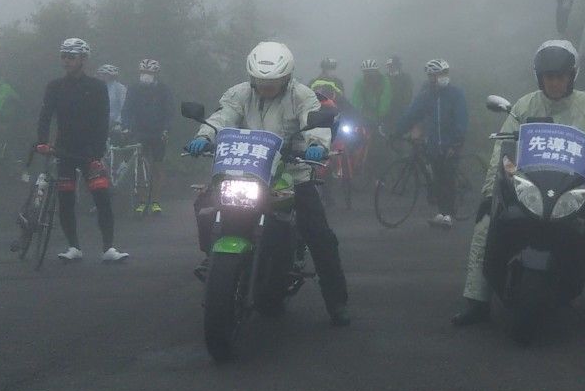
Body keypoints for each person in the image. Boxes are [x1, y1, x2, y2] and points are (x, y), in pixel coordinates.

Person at [452, 40, 585, 326]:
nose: (555, 83)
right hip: (527, 185)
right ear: (540, 77)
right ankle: (476, 300)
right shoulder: (524, 105)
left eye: (560, 76)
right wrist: (489, 193)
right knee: (486, 223)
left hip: (572, 189)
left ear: (572, 76)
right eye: (549, 77)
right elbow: (503, 146)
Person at [186, 41, 351, 326]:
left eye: (272, 82)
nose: (265, 87)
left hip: (291, 173)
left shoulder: (303, 95)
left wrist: (316, 144)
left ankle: (336, 302)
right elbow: (221, 116)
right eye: (260, 81)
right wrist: (205, 136)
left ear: (286, 77)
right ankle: (211, 257)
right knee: (205, 204)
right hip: (243, 172)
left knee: (320, 236)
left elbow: (317, 122)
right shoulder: (238, 93)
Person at [34, 38, 129, 263]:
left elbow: (102, 121)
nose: (66, 61)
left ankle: (109, 248)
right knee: (65, 199)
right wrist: (42, 141)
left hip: (90, 152)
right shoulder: (54, 86)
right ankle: (73, 246)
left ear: (83, 59)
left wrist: (96, 153)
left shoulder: (96, 87)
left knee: (101, 198)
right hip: (63, 150)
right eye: (64, 57)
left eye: (71, 57)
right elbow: (46, 116)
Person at [393, 57, 468, 228]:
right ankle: (441, 212)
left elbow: (461, 119)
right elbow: (412, 114)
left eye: (443, 73)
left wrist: (456, 142)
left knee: (448, 178)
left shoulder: (456, 94)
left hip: (451, 143)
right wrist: (397, 132)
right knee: (438, 178)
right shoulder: (427, 96)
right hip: (434, 143)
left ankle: (448, 214)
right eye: (436, 74)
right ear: (430, 77)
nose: (441, 77)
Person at [123, 58, 175, 215]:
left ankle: (155, 202)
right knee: (140, 166)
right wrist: (125, 127)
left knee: (157, 166)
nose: (146, 75)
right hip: (139, 132)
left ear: (156, 74)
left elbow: (169, 111)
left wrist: (167, 129)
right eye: (143, 72)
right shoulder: (134, 88)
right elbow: (127, 109)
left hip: (159, 132)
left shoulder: (163, 89)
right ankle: (141, 200)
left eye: (149, 73)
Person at [351, 58, 393, 123]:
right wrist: (353, 113)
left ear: (376, 71)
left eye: (371, 71)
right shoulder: (360, 82)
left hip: (383, 116)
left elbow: (385, 98)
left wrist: (381, 115)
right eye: (366, 72)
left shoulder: (384, 81)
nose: (369, 75)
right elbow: (356, 98)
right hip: (366, 114)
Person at [384, 56, 415, 130]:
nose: (390, 68)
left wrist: (403, 105)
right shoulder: (384, 78)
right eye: (389, 66)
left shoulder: (406, 77)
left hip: (402, 111)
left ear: (398, 66)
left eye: (392, 66)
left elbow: (408, 94)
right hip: (387, 113)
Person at [97, 64, 127, 129]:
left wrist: (118, 122)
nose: (101, 76)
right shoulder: (97, 87)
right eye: (100, 74)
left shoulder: (120, 88)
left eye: (105, 74)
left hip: (114, 124)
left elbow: (124, 106)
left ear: (112, 75)